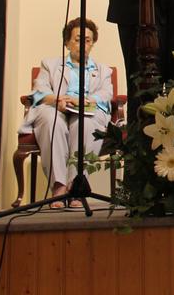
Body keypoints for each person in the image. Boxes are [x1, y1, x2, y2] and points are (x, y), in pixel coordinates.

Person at [19, 18, 113, 208]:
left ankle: (76, 186)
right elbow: (39, 91)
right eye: (78, 40)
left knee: (85, 123)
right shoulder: (50, 65)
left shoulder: (103, 71)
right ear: (67, 43)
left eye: (88, 40)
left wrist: (85, 101)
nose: (83, 45)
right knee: (51, 119)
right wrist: (57, 99)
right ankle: (59, 186)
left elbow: (106, 94)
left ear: (93, 43)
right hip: (57, 108)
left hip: (87, 110)